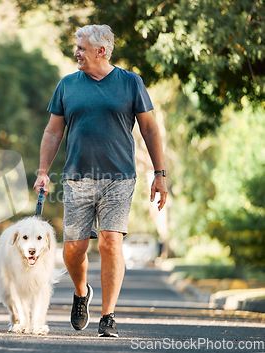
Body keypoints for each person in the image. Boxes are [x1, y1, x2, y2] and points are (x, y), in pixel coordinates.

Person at [33, 25, 168, 337]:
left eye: (81, 48)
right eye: (76, 47)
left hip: (119, 177)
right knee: (73, 249)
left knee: (110, 242)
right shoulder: (67, 85)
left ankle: (108, 315)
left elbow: (149, 129)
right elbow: (53, 132)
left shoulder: (130, 82)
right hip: (76, 177)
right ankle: (82, 292)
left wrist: (159, 174)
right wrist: (43, 171)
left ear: (101, 51)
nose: (76, 53)